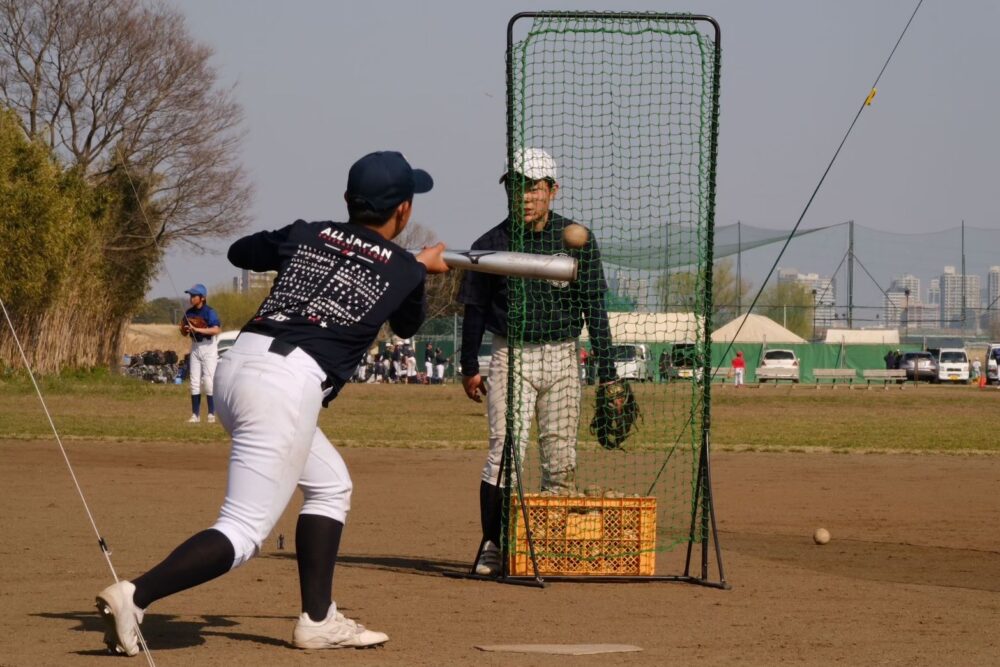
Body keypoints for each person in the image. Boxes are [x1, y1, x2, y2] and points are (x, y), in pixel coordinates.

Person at [94, 150, 447, 655]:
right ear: (404, 211)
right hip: (286, 384)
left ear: (348, 200)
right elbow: (409, 326)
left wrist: (305, 243)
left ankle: (319, 619)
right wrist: (416, 265)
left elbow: (241, 251)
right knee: (242, 532)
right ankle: (136, 595)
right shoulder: (405, 269)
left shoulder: (309, 232)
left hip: (239, 368)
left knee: (330, 486)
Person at [457, 147, 615, 577]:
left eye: (534, 187)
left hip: (564, 355)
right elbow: (474, 308)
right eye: (516, 187)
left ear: (553, 190)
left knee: (560, 457)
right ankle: (492, 544)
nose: (524, 197)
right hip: (510, 354)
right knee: (504, 452)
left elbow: (594, 309)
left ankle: (549, 545)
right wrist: (469, 367)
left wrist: (610, 374)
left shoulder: (578, 238)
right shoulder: (489, 244)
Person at [181, 284, 222, 423]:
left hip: (208, 346)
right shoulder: (189, 313)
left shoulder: (209, 312)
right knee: (194, 381)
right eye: (190, 295)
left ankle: (211, 414)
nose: (191, 298)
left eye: (194, 296)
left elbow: (216, 330)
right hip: (195, 346)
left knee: (209, 382)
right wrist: (185, 330)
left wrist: (198, 330)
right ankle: (195, 415)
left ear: (202, 298)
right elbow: (182, 331)